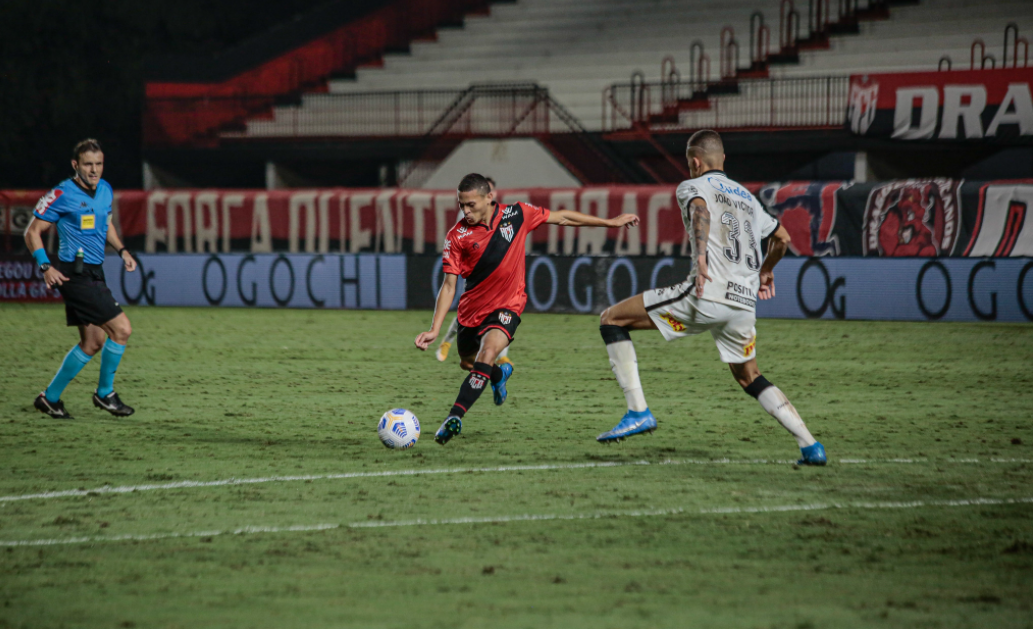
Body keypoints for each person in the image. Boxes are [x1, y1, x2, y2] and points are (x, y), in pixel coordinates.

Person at [594, 130, 826, 465]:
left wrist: (701, 256)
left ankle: (638, 411)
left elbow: (700, 210)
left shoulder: (693, 186)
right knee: (750, 376)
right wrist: (766, 270)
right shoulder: (748, 197)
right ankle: (810, 445)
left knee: (611, 319)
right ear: (724, 161)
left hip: (706, 294)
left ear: (695, 162)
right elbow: (782, 238)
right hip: (743, 304)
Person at [415, 173, 639, 445]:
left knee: (488, 353)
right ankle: (499, 375)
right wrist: (434, 329)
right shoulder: (456, 236)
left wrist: (610, 223)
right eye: (461, 205)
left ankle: (455, 417)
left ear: (489, 197)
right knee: (469, 363)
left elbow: (562, 217)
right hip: (471, 313)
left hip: (508, 306)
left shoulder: (517, 214)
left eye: (471, 204)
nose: (465, 211)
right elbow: (449, 286)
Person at [24, 139, 138, 419]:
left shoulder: (105, 190)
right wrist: (45, 267)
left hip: (95, 271)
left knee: (93, 343)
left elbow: (106, 223)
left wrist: (121, 250)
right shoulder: (62, 193)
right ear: (76, 165)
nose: (94, 169)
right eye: (88, 164)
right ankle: (105, 394)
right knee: (122, 329)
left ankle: (49, 399)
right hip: (74, 275)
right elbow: (32, 232)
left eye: (98, 164)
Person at [435, 176, 512, 369]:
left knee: (501, 311)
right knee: (469, 312)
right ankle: (447, 341)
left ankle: (501, 356)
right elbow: (459, 239)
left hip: (494, 271)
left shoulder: (500, 215)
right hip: (473, 270)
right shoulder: (466, 216)